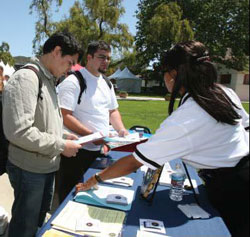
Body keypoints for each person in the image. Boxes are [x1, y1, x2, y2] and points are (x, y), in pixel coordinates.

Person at [76, 41, 249, 237]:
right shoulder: (224, 92)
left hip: (232, 189)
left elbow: (134, 162)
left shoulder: (186, 117)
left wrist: (95, 179)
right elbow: (246, 126)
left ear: (174, 75)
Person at [2, 32, 83, 237]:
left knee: (37, 223)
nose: (70, 69)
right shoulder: (27, 78)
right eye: (69, 62)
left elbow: (45, 123)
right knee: (24, 227)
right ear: (57, 52)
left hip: (44, 166)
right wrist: (61, 146)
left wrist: (64, 137)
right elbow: (19, 131)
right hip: (29, 168)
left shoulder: (48, 80)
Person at [57, 40, 128, 203]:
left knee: (93, 194)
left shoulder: (106, 82)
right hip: (76, 151)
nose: (106, 62)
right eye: (101, 57)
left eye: (108, 58)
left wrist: (122, 130)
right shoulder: (73, 82)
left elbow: (113, 111)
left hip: (100, 150)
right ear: (89, 57)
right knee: (70, 196)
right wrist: (91, 135)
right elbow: (64, 115)